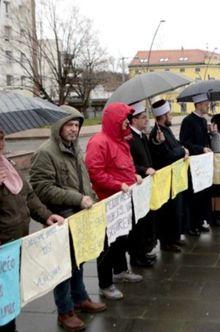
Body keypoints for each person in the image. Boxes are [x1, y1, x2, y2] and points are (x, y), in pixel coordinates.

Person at [0, 121, 64, 332]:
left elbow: (29, 196)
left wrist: (46, 216)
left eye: (1, 138)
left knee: (10, 295)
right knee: (0, 299)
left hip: (17, 244)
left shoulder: (5, 163)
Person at [29, 106, 107, 331]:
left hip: (79, 215)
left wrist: (91, 197)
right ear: (58, 126)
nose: (74, 129)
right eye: (69, 125)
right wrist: (78, 198)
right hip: (61, 217)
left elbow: (83, 179)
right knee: (62, 266)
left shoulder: (74, 148)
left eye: (77, 125)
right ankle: (64, 311)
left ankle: (80, 297)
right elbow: (42, 189)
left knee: (78, 259)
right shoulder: (46, 152)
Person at [84, 102, 143, 301]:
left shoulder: (121, 140)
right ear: (115, 120)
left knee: (122, 238)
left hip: (123, 200)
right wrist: (118, 185)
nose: (127, 122)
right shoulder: (99, 142)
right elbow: (95, 173)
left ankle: (120, 271)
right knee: (109, 245)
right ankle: (105, 284)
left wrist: (133, 175)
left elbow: (124, 166)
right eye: (125, 119)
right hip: (108, 202)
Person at [148, 99, 190, 253]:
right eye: (169, 114)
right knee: (168, 212)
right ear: (163, 116)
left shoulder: (165, 130)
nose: (171, 116)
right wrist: (182, 151)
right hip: (165, 179)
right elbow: (168, 154)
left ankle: (174, 238)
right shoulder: (157, 134)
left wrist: (182, 148)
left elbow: (176, 144)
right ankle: (167, 242)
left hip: (174, 178)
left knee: (176, 210)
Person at [126, 102, 159, 265]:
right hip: (136, 184)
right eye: (143, 117)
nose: (147, 120)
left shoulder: (141, 135)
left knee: (145, 221)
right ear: (133, 120)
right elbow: (129, 164)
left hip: (145, 185)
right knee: (137, 224)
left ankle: (143, 252)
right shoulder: (130, 138)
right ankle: (136, 256)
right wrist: (144, 170)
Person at [180, 93, 213, 235]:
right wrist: (201, 148)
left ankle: (199, 222)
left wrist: (210, 136)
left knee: (203, 194)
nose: (208, 105)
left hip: (203, 162)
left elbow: (204, 140)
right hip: (193, 163)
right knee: (194, 196)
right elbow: (185, 142)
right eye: (206, 103)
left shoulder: (204, 121)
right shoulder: (188, 120)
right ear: (198, 104)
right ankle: (191, 226)